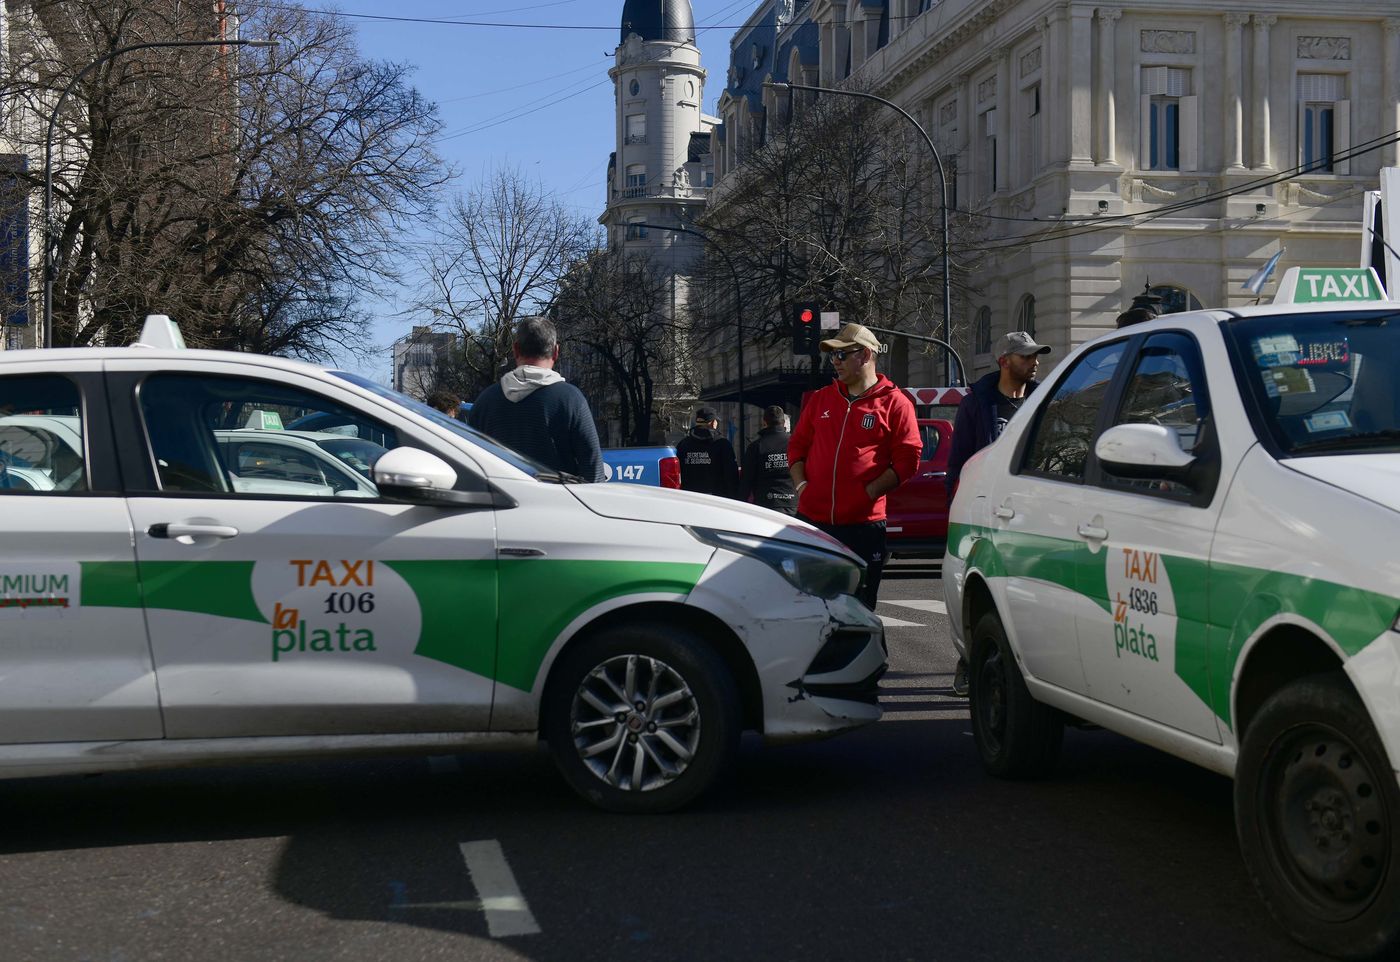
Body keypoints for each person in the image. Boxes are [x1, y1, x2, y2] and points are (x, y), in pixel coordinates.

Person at [943, 329, 1052, 694]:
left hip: (1030, 517)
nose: (1034, 362)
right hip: (984, 515)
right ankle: (968, 660)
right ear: (1004, 361)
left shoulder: (1042, 401)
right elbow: (958, 463)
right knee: (979, 591)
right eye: (1025, 356)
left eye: (1036, 356)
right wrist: (955, 512)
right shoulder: (977, 403)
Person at [788, 322, 922, 610]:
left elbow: (908, 459)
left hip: (864, 527)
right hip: (814, 521)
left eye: (841, 355)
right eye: (832, 357)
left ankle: (871, 657)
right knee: (809, 606)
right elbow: (797, 447)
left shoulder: (896, 403)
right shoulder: (821, 399)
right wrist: (802, 487)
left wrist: (869, 493)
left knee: (859, 608)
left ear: (864, 355)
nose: (834, 362)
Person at [468, 315, 605, 482]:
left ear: (516, 349)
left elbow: (470, 466)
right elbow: (594, 471)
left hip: (502, 504)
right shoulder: (571, 400)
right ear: (555, 352)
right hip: (559, 504)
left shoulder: (485, 401)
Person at [741, 404, 796, 514]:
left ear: (764, 422)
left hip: (766, 505)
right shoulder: (795, 443)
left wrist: (741, 503)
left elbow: (746, 480)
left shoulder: (756, 446)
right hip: (792, 504)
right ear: (784, 422)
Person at [676, 406, 739, 497]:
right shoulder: (722, 444)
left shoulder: (683, 444)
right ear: (713, 423)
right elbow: (731, 475)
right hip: (717, 499)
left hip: (689, 498)